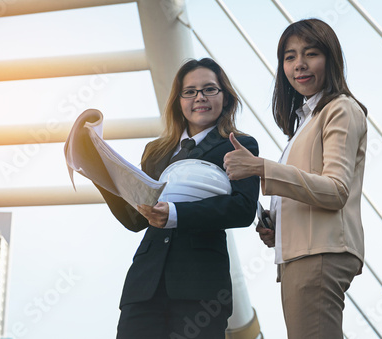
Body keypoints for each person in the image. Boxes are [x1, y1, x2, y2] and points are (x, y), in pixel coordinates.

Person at [95, 58, 260, 339]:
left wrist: (175, 214)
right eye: (190, 91)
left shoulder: (240, 145)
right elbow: (136, 218)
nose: (200, 98)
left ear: (226, 98)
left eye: (210, 89)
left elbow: (243, 209)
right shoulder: (156, 151)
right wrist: (98, 173)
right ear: (178, 101)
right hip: (145, 286)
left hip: (201, 290)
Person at [223, 19, 367, 338]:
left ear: (330, 59)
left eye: (310, 53)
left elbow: (336, 190)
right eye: (289, 57)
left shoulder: (339, 109)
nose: (299, 65)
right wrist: (279, 225)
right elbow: (310, 190)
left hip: (318, 254)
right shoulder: (305, 122)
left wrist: (261, 167)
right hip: (300, 255)